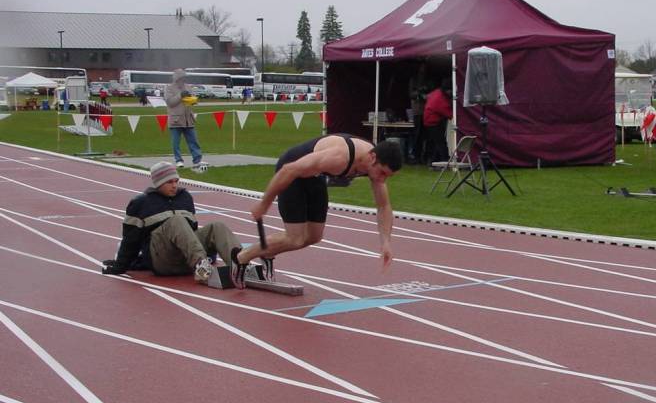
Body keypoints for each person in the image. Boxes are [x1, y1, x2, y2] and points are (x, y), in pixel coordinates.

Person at [231, 135, 403, 286]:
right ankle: (241, 257)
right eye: (382, 173)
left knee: (314, 236)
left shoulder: (374, 164)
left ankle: (268, 252)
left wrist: (386, 242)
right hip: (292, 172)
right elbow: (289, 170)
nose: (382, 179)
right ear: (372, 157)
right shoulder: (340, 157)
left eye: (387, 176)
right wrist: (264, 204)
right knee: (295, 238)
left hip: (315, 177)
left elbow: (384, 206)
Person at [101, 162, 242, 283]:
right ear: (158, 183)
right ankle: (201, 265)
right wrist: (120, 266)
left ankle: (241, 265)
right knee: (176, 221)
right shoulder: (141, 203)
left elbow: (191, 233)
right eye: (169, 182)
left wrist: (210, 254)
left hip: (186, 259)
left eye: (176, 181)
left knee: (217, 226)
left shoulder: (185, 198)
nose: (174, 185)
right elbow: (130, 239)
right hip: (162, 260)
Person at [164, 69, 206, 171]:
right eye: (180, 79)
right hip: (176, 119)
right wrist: (180, 95)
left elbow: (191, 101)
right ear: (176, 79)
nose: (182, 81)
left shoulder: (188, 87)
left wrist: (193, 100)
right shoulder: (169, 88)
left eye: (184, 78)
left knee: (193, 140)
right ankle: (178, 160)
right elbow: (170, 102)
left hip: (188, 118)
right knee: (176, 142)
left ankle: (197, 159)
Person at [423, 78, 453, 164]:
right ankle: (444, 160)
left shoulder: (436, 93)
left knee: (435, 142)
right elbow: (450, 114)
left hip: (429, 121)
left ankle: (433, 161)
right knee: (441, 142)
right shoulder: (440, 99)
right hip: (433, 122)